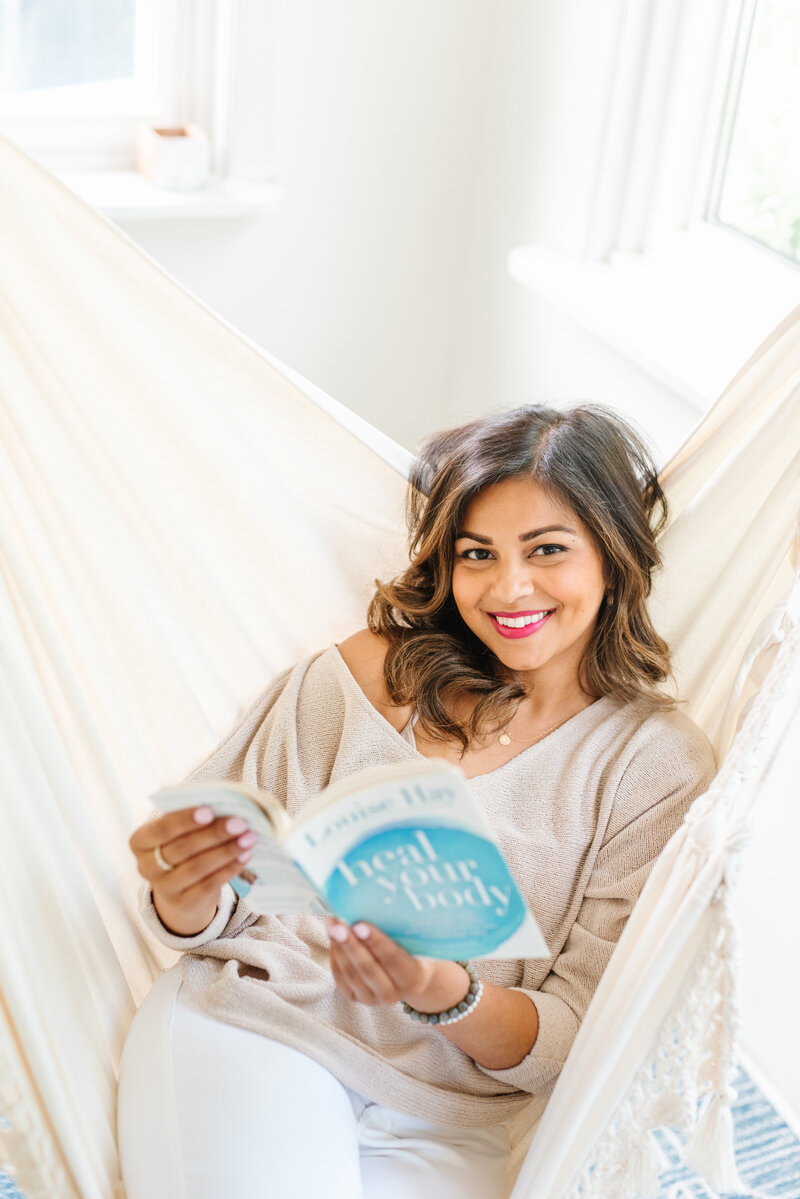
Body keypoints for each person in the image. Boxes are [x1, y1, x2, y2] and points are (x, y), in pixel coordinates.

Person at [118, 403, 716, 1199]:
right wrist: (182, 892)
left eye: (547, 550)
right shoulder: (371, 671)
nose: (509, 587)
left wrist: (445, 992)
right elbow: (222, 893)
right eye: (478, 554)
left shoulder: (657, 764)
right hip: (259, 1022)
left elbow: (578, 1033)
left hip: (450, 1111)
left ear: (614, 556)